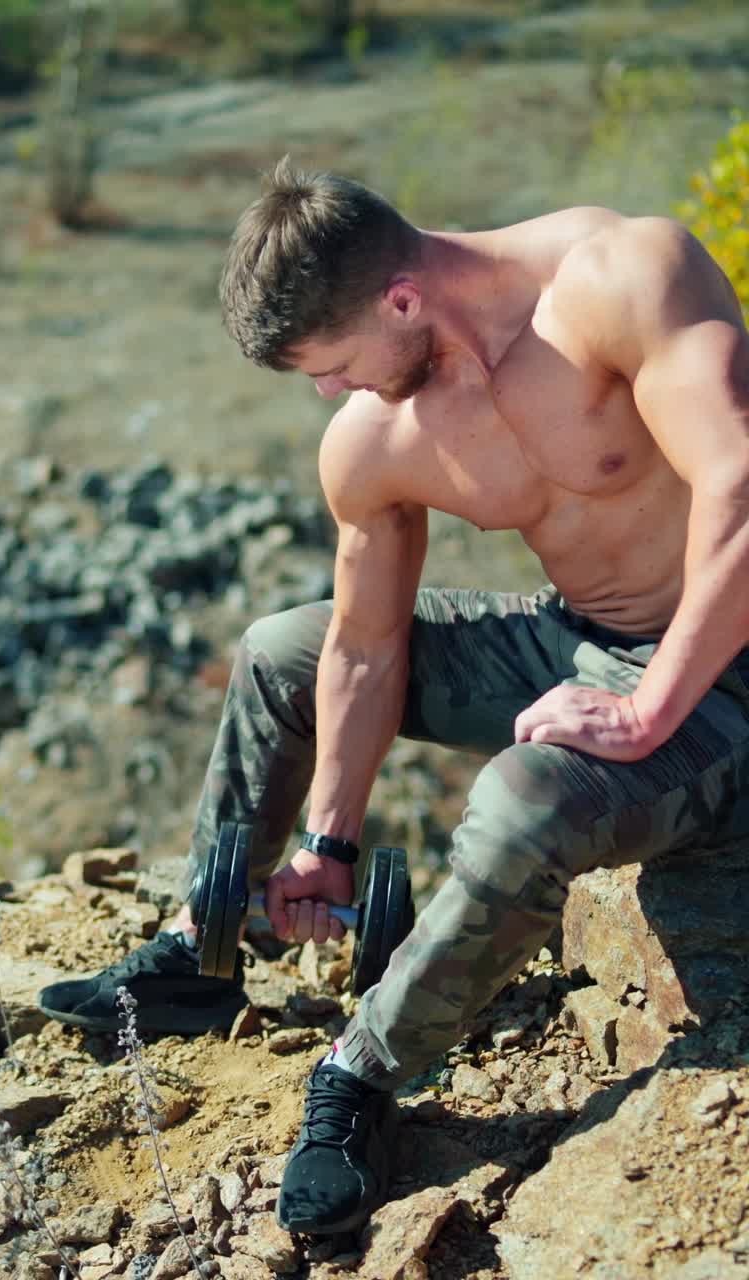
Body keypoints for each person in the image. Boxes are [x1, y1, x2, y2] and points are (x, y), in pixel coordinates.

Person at [38, 158, 749, 1236]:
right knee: (283, 646)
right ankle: (200, 945)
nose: (328, 394)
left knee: (519, 799)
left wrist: (649, 705)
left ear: (402, 299)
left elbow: (741, 485)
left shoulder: (622, 279)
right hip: (587, 636)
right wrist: (327, 835)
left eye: (330, 365)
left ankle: (361, 1074)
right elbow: (363, 651)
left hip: (721, 670)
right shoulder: (379, 433)